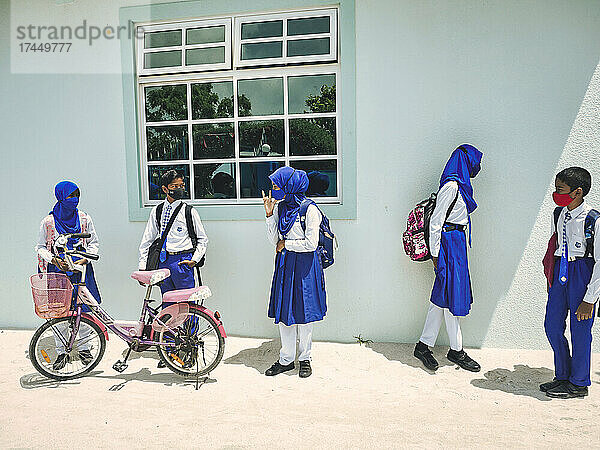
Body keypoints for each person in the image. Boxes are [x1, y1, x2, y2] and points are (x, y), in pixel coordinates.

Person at [413, 144, 483, 372]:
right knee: (454, 295)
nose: (477, 167)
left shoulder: (461, 186)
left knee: (443, 296)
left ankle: (423, 345)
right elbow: (435, 222)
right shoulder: (451, 186)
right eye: (474, 162)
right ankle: (457, 350)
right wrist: (435, 256)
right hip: (448, 246)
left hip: (457, 244)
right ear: (465, 162)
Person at [262, 166, 327, 378]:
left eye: (276, 185)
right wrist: (270, 215)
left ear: (290, 186)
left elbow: (311, 243)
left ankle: (305, 358)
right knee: (285, 314)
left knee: (305, 314)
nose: (273, 190)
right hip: (285, 266)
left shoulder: (310, 210)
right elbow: (273, 241)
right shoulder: (280, 208)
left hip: (305, 267)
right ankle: (286, 359)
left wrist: (286, 245)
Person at [540, 167, 599, 399]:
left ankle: (579, 382)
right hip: (561, 273)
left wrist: (590, 298)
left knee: (580, 331)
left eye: (560, 189)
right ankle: (563, 375)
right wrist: (551, 276)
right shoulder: (559, 213)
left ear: (578, 192)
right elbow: (555, 246)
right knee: (552, 325)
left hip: (583, 275)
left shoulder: (593, 219)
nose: (556, 194)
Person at [35, 181, 101, 370]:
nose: (75, 200)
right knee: (60, 312)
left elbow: (94, 243)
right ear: (61, 197)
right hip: (57, 273)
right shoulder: (48, 222)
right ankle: (62, 351)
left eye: (77, 195)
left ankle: (85, 349)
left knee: (85, 310)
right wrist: (55, 260)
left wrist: (84, 261)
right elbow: (40, 247)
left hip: (81, 271)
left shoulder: (84, 218)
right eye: (70, 196)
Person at [138, 169, 208, 296]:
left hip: (182, 261)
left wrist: (194, 260)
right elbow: (147, 239)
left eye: (181, 186)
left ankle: (190, 317)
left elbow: (202, 239)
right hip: (163, 261)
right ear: (165, 189)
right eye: (174, 186)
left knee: (186, 301)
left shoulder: (189, 212)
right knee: (167, 299)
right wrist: (143, 265)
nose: (179, 189)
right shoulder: (157, 211)